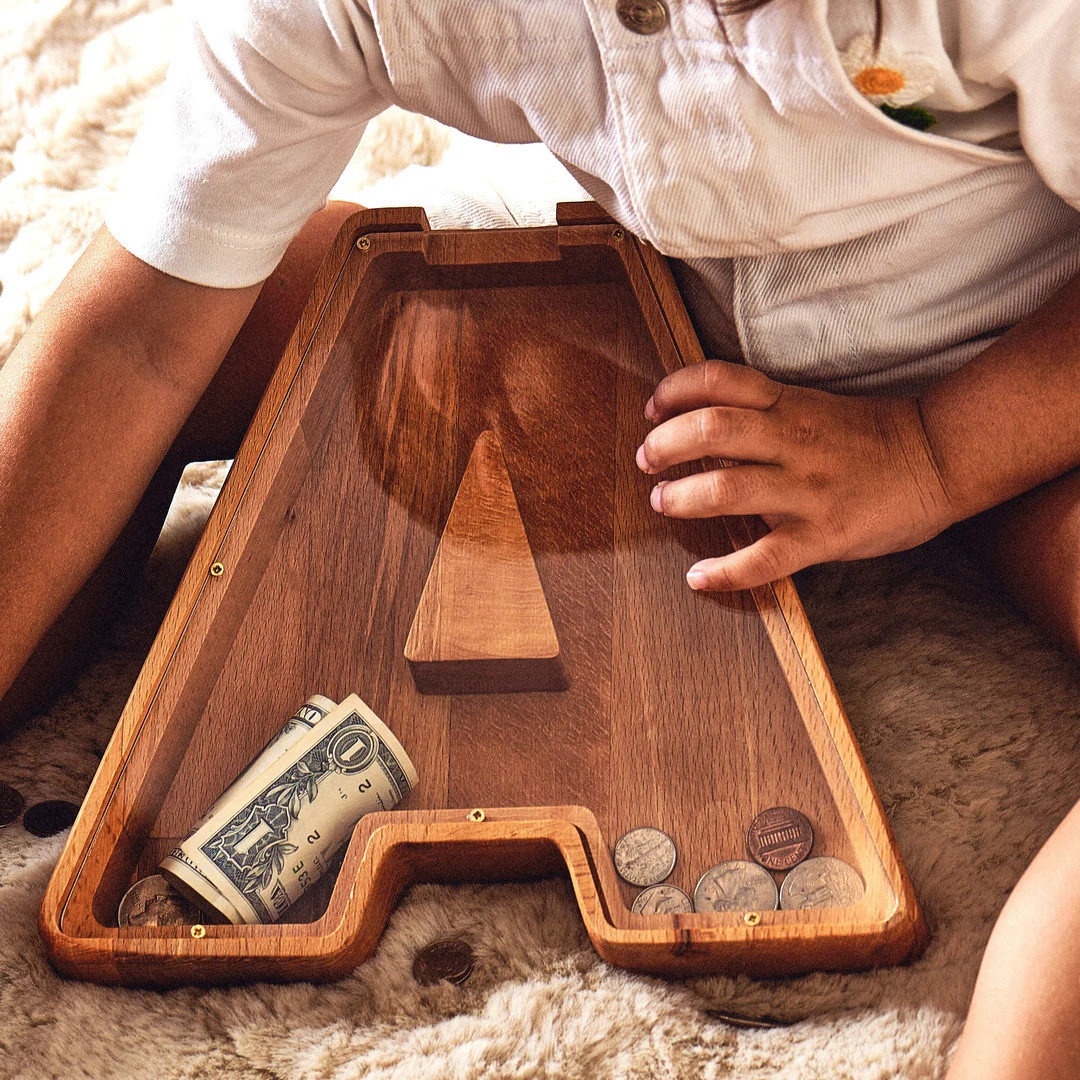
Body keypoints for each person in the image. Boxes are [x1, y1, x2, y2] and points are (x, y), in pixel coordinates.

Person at [1, 0, 1078, 1074]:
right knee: (216, 328)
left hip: (1012, 337)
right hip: (619, 279)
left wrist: (935, 450)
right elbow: (137, 336)